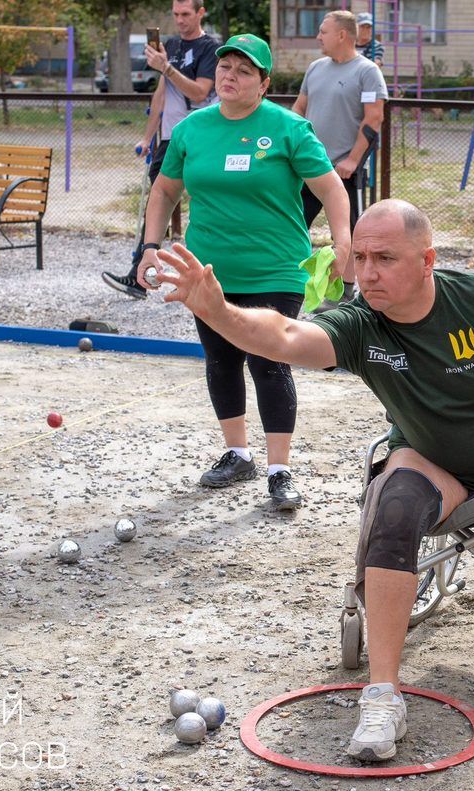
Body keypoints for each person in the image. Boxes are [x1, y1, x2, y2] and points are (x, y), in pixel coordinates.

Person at [153, 199, 474, 761]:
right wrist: (219, 311)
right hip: (430, 461)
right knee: (393, 506)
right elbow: (283, 335)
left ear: (427, 260)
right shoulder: (360, 323)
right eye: (361, 257)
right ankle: (384, 694)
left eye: (385, 258)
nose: (368, 273)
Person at [134, 33, 353, 510]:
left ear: (264, 82)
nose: (231, 76)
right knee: (221, 360)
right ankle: (238, 454)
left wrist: (343, 242)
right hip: (208, 271)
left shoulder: (289, 128)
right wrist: (150, 247)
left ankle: (280, 470)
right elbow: (164, 191)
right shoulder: (193, 129)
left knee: (269, 362)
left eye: (245, 71)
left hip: (276, 268)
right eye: (226, 67)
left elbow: (334, 190)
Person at [102, 0, 218, 300]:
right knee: (159, 203)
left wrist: (166, 67)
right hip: (170, 140)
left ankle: (209, 279)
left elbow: (201, 92)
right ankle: (140, 275)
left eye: (186, 14)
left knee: (207, 206)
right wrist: (147, 137)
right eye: (175, 14)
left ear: (200, 13)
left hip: (201, 137)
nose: (179, 20)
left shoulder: (210, 49)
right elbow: (161, 95)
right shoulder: (171, 45)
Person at [294, 10, 388, 302]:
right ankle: (289, 284)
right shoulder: (315, 68)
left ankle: (343, 294)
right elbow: (299, 109)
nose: (318, 36)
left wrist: (352, 160)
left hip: (344, 170)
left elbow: (374, 119)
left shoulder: (367, 71)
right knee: (292, 225)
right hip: (309, 168)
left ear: (342, 35)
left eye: (323, 31)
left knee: (345, 233)